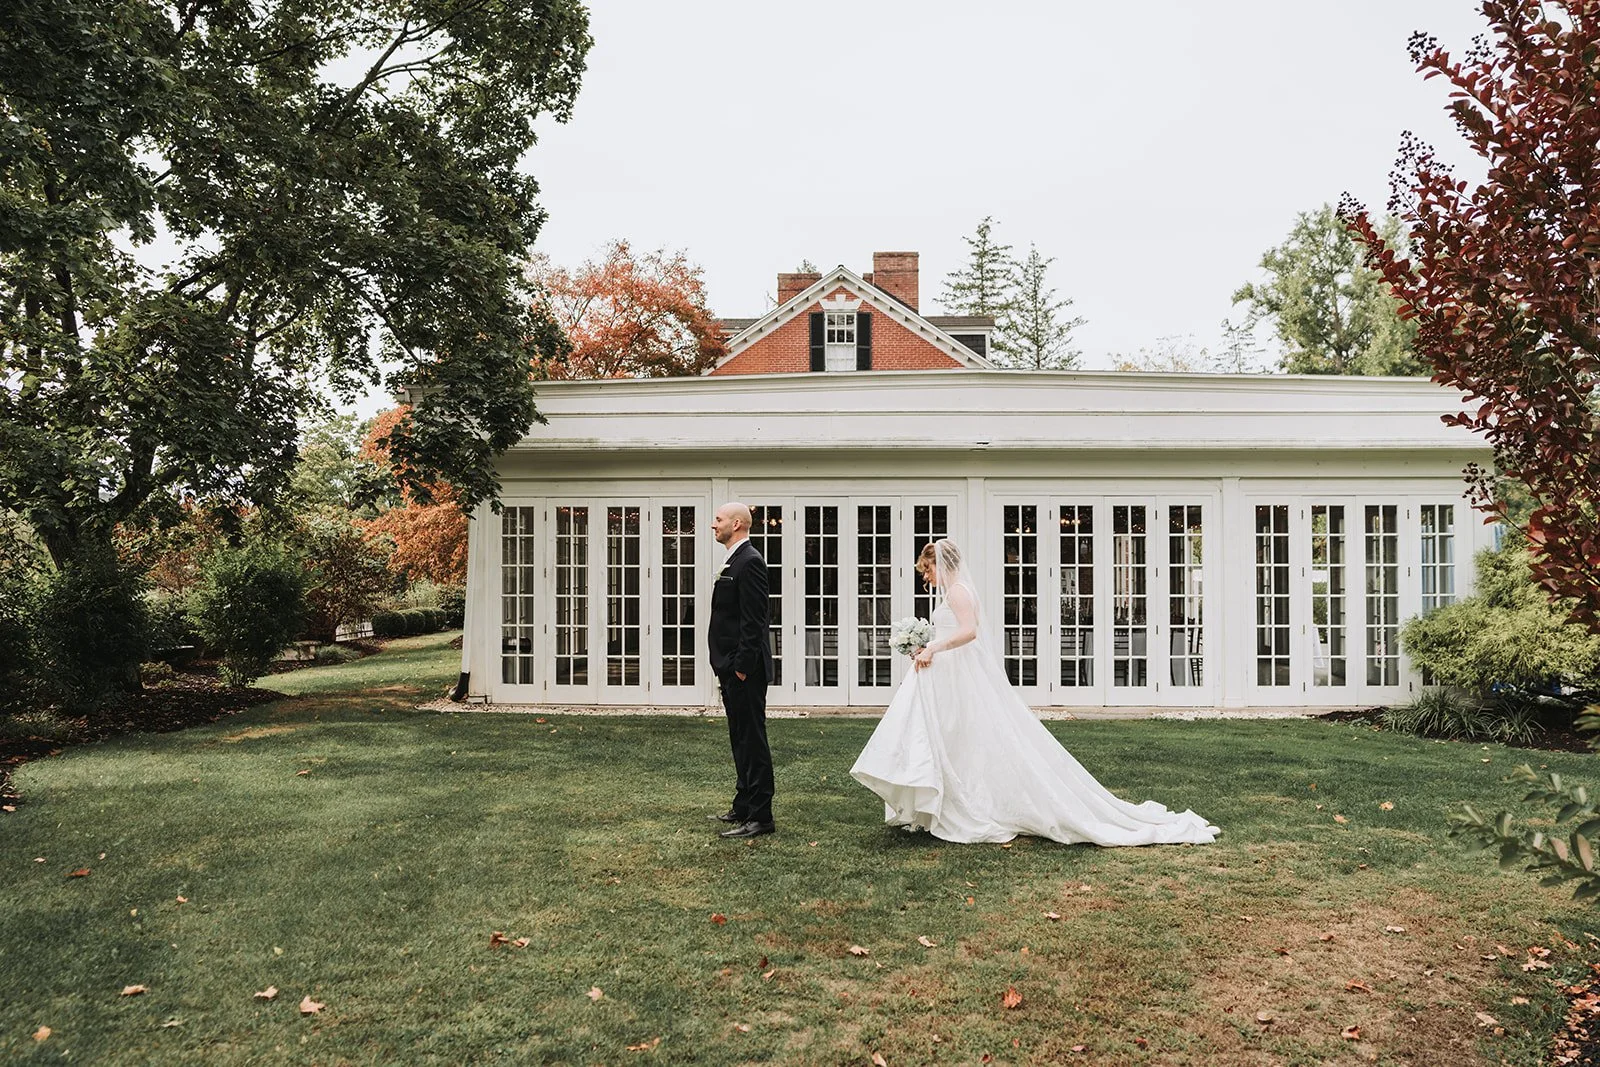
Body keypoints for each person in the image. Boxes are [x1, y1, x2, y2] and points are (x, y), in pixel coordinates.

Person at [850, 539, 1218, 846]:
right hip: (950, 676)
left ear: (941, 564)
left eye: (927, 570)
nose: (927, 578)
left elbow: (969, 632)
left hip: (958, 673)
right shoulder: (955, 591)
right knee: (952, 739)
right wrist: (926, 644)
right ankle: (940, 804)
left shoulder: (959, 592)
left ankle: (966, 805)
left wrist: (934, 648)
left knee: (965, 739)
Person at [706, 502, 776, 839]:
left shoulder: (751, 562)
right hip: (730, 666)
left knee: (752, 740)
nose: (712, 524)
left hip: (743, 669)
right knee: (739, 738)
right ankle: (744, 804)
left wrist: (742, 668)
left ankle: (761, 815)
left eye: (717, 519)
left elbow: (754, 620)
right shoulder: (734, 559)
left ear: (737, 523)